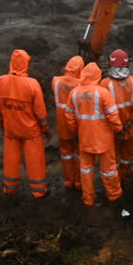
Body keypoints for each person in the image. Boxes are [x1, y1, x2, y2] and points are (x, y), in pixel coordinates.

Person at [0, 49, 51, 198]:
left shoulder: (1, 81)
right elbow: (40, 112)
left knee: (11, 159)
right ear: (25, 63)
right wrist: (46, 129)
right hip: (30, 131)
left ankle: (10, 188)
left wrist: (2, 125)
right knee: (34, 160)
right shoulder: (32, 84)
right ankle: (38, 191)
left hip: (10, 129)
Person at [65, 62, 123, 207]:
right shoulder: (103, 93)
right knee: (109, 170)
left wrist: (75, 132)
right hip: (104, 140)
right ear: (98, 76)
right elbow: (113, 116)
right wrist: (118, 129)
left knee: (85, 170)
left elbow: (69, 116)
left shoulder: (74, 93)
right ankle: (114, 196)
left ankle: (88, 199)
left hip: (85, 139)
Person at [99, 49, 133, 185]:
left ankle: (115, 182)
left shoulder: (104, 84)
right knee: (127, 157)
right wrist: (129, 122)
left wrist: (116, 126)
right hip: (128, 128)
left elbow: (101, 109)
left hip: (111, 130)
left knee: (113, 157)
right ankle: (126, 179)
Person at [52, 55, 84, 190]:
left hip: (62, 125)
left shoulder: (56, 81)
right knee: (79, 154)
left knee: (66, 154)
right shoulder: (81, 85)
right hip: (76, 126)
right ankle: (78, 181)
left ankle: (69, 180)